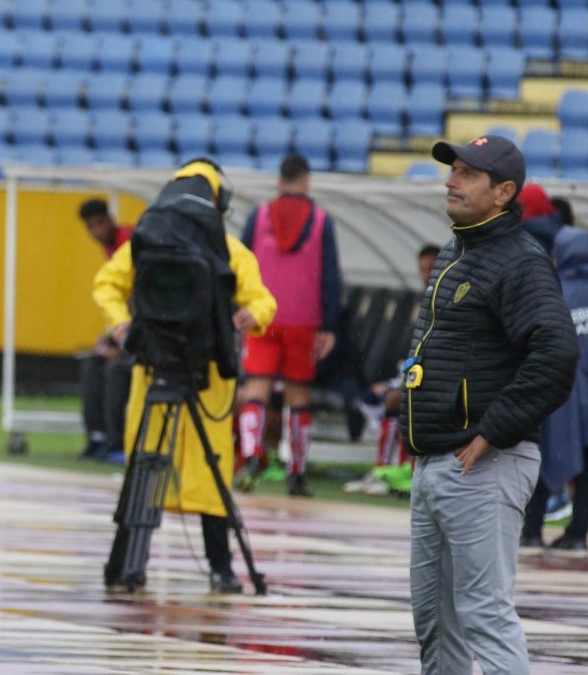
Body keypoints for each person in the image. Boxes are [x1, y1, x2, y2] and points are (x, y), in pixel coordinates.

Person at [407, 134, 578, 675]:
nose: (451, 181)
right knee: (435, 622)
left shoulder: (520, 261)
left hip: (483, 462)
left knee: (483, 614)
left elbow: (555, 354)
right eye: (453, 170)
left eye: (467, 174)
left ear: (504, 192)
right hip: (438, 459)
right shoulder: (462, 249)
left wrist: (493, 431)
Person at [92, 159, 277, 593]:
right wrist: (254, 313)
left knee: (157, 466)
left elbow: (107, 283)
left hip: (166, 370)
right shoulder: (228, 249)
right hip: (198, 375)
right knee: (190, 469)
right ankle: (214, 569)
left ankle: (133, 567)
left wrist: (122, 324)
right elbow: (264, 299)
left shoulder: (146, 240)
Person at [235, 154, 342, 497]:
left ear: (278, 179)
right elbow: (329, 276)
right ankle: (296, 472)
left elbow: (241, 263)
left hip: (261, 317)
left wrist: (240, 309)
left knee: (255, 389)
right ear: (307, 179)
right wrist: (329, 325)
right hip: (303, 320)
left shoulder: (260, 215)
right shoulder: (321, 220)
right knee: (298, 395)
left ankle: (252, 456)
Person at [344, 244, 441, 496]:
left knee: (396, 399)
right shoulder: (424, 300)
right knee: (386, 396)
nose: (426, 274)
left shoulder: (447, 299)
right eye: (422, 269)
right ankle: (385, 470)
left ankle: (398, 470)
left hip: (440, 376)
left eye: (432, 268)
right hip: (417, 372)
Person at [521, 225, 588, 551]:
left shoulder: (555, 291)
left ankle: (532, 529)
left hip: (559, 397)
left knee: (546, 461)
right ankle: (577, 534)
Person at [77, 198, 133, 462]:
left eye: (100, 223)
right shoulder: (111, 248)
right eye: (91, 227)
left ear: (110, 219)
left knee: (114, 370)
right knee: (92, 364)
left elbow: (137, 298)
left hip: (141, 335)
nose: (97, 231)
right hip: (127, 330)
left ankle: (117, 442)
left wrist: (122, 343)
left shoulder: (128, 244)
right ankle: (97, 437)